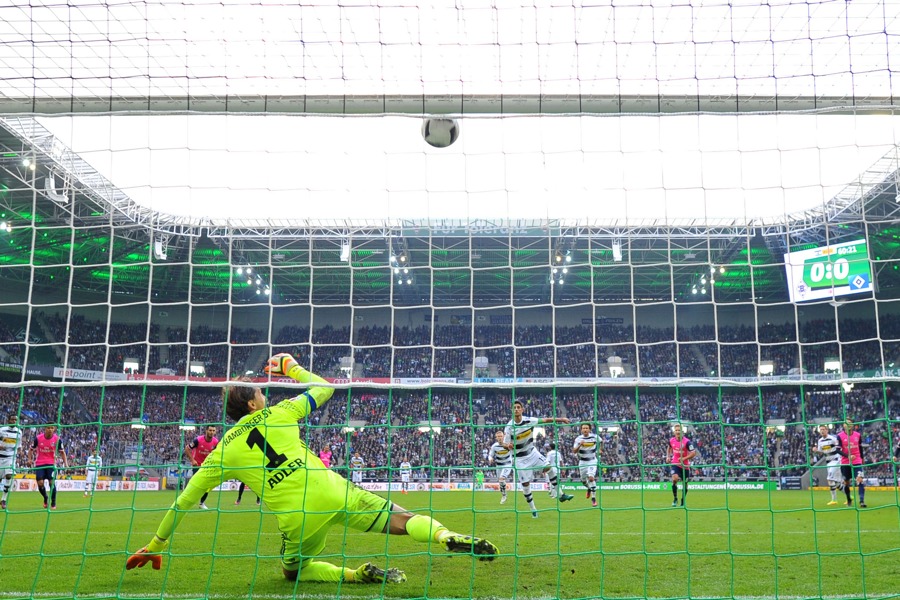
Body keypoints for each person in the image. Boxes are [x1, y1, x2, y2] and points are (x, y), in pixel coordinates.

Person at [126, 353, 497, 584]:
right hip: (333, 489)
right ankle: (445, 536)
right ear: (253, 405)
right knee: (403, 518)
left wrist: (156, 544)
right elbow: (324, 387)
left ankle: (353, 575)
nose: (265, 393)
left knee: (293, 573)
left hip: (298, 516)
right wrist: (291, 367)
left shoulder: (223, 449)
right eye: (260, 393)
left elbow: (184, 501)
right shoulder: (282, 412)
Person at [503, 400, 573, 518]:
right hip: (520, 459)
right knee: (525, 484)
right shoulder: (509, 427)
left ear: (522, 409)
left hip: (532, 453)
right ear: (512, 410)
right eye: (514, 407)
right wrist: (508, 446)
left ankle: (561, 495)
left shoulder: (529, 420)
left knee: (549, 468)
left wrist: (562, 419)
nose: (516, 409)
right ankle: (533, 509)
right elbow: (505, 444)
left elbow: (546, 420)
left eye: (518, 407)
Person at [29, 425, 68, 510]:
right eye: (48, 428)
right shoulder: (38, 438)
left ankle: (53, 502)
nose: (50, 429)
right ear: (45, 429)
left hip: (51, 464)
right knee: (40, 483)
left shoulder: (57, 439)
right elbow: (31, 449)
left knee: (51, 483)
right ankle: (45, 497)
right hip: (40, 464)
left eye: (52, 428)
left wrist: (66, 464)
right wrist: (29, 459)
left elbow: (62, 452)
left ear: (54, 429)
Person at [184, 425, 219, 509]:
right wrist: (192, 460)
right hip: (197, 465)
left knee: (207, 485)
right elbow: (187, 448)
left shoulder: (216, 442)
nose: (212, 432)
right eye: (210, 430)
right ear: (206, 431)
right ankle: (186, 500)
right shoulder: (198, 440)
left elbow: (217, 453)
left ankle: (201, 503)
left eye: (213, 430)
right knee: (195, 484)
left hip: (207, 466)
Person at [837, 419, 866, 508]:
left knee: (860, 480)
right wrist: (848, 456)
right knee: (846, 482)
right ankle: (849, 499)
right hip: (845, 462)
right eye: (846, 423)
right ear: (843, 425)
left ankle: (861, 501)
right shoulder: (839, 436)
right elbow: (837, 450)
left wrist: (862, 457)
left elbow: (860, 447)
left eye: (850, 423)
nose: (848, 425)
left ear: (853, 425)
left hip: (857, 461)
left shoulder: (858, 435)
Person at [667, 423, 696, 508]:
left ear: (682, 431)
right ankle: (675, 498)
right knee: (675, 479)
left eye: (679, 430)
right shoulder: (671, 440)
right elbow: (669, 447)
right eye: (676, 430)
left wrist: (684, 458)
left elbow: (693, 453)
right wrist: (668, 456)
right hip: (675, 463)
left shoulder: (687, 442)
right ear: (674, 432)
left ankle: (683, 500)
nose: (677, 432)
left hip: (685, 465)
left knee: (685, 484)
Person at [813, 425, 843, 506]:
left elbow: (839, 448)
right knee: (836, 483)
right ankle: (849, 496)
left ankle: (834, 500)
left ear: (827, 430)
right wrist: (816, 451)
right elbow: (821, 452)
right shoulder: (820, 441)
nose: (822, 431)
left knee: (829, 479)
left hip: (836, 460)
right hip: (829, 462)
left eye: (823, 429)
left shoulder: (833, 438)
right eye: (821, 430)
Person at [573, 423, 600, 507]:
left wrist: (601, 449)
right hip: (582, 462)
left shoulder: (594, 437)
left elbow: (601, 441)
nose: (585, 429)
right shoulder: (578, 439)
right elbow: (574, 451)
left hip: (592, 460)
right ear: (581, 430)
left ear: (589, 429)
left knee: (591, 478)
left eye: (587, 428)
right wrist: (580, 444)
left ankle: (593, 499)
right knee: (583, 481)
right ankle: (589, 488)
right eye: (583, 428)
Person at [0, 414, 21, 510]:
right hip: (0, 457)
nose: (14, 421)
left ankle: (3, 499)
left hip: (10, 457)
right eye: (12, 419)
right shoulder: (2, 430)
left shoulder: (19, 432)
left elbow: (19, 445)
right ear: (8, 420)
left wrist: (19, 452)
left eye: (15, 420)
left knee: (9, 475)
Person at [488, 430, 512, 504]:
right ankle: (504, 495)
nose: (500, 438)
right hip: (499, 465)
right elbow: (490, 455)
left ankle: (504, 496)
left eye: (501, 436)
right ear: (496, 438)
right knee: (500, 481)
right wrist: (490, 459)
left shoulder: (508, 444)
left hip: (507, 464)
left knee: (502, 478)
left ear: (503, 436)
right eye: (498, 437)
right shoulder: (494, 446)